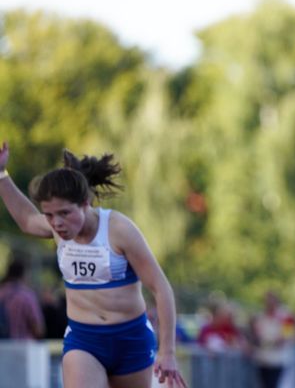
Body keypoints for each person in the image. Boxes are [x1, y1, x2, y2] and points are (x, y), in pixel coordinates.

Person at [0, 143, 187, 388]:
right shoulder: (58, 231)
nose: (56, 223)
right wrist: (2, 175)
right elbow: (26, 220)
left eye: (65, 213)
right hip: (84, 340)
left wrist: (168, 352)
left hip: (130, 339)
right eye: (49, 215)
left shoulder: (119, 230)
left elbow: (161, 288)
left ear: (85, 203)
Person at [250, 291, 295, 388]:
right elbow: (256, 335)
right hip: (263, 359)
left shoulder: (285, 316)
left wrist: (278, 341)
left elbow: (289, 335)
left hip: (279, 359)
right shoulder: (260, 317)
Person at [0, 258, 45, 339]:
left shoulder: (2, 292)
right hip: (23, 347)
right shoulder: (26, 295)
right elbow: (38, 329)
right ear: (24, 274)